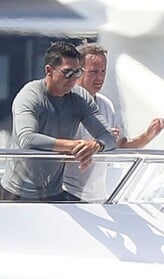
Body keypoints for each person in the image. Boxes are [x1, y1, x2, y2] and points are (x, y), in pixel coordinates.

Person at [0, 41, 116, 202]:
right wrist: (75, 146)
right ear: (49, 70)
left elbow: (108, 137)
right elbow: (27, 139)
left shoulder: (80, 97)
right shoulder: (30, 95)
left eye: (78, 73)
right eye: (68, 73)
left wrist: (95, 145)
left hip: (53, 193)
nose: (73, 79)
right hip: (16, 193)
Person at [63, 42, 164, 201]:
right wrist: (100, 141)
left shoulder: (105, 104)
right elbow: (56, 147)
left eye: (103, 71)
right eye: (93, 72)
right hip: (67, 194)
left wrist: (148, 135)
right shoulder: (64, 104)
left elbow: (121, 145)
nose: (100, 78)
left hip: (97, 197)